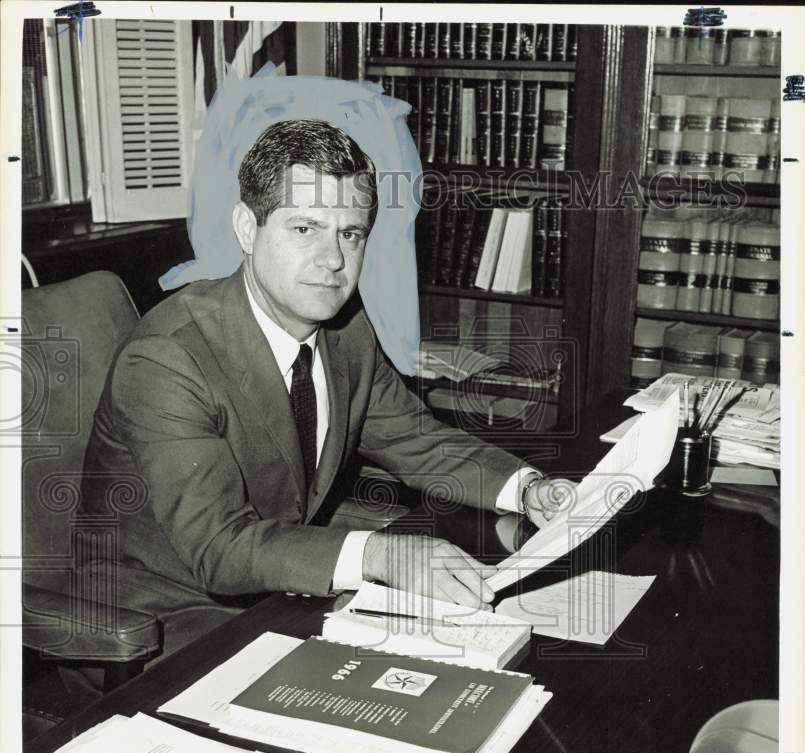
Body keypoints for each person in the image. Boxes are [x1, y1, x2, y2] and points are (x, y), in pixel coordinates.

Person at [82, 119, 566, 624]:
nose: (334, 259)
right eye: (305, 228)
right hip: (163, 616)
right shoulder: (167, 357)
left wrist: (527, 489)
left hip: (282, 585)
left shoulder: (345, 329)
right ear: (248, 228)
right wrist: (379, 556)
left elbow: (414, 439)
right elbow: (218, 548)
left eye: (350, 234)